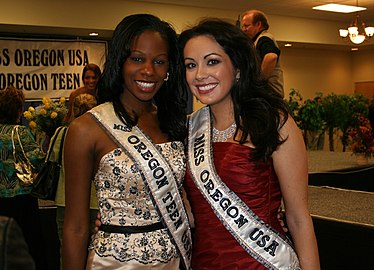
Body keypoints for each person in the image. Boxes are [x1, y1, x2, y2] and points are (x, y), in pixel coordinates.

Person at [179, 18, 320, 269]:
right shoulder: (187, 130)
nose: (200, 75)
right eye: (191, 65)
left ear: (238, 66)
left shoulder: (273, 122)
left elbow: (298, 218)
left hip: (265, 262)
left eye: (212, 62)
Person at [62, 14, 191, 270]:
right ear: (120, 61)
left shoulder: (176, 124)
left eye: (160, 62)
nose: (148, 71)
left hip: (175, 260)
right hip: (114, 263)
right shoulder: (87, 128)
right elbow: (75, 227)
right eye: (137, 59)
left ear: (169, 69)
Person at [0, 85, 47, 269]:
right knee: (28, 244)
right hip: (21, 197)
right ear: (18, 109)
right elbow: (38, 160)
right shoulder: (20, 133)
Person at [54, 93, 98, 268]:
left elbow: (50, 160)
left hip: (65, 200)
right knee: (94, 255)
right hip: (96, 203)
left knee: (68, 251)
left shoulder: (61, 133)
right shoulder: (103, 137)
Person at [241, 10, 284, 97]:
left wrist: (259, 81)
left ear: (258, 25)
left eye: (247, 26)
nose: (244, 29)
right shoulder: (256, 41)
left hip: (270, 95)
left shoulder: (264, 39)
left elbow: (271, 57)